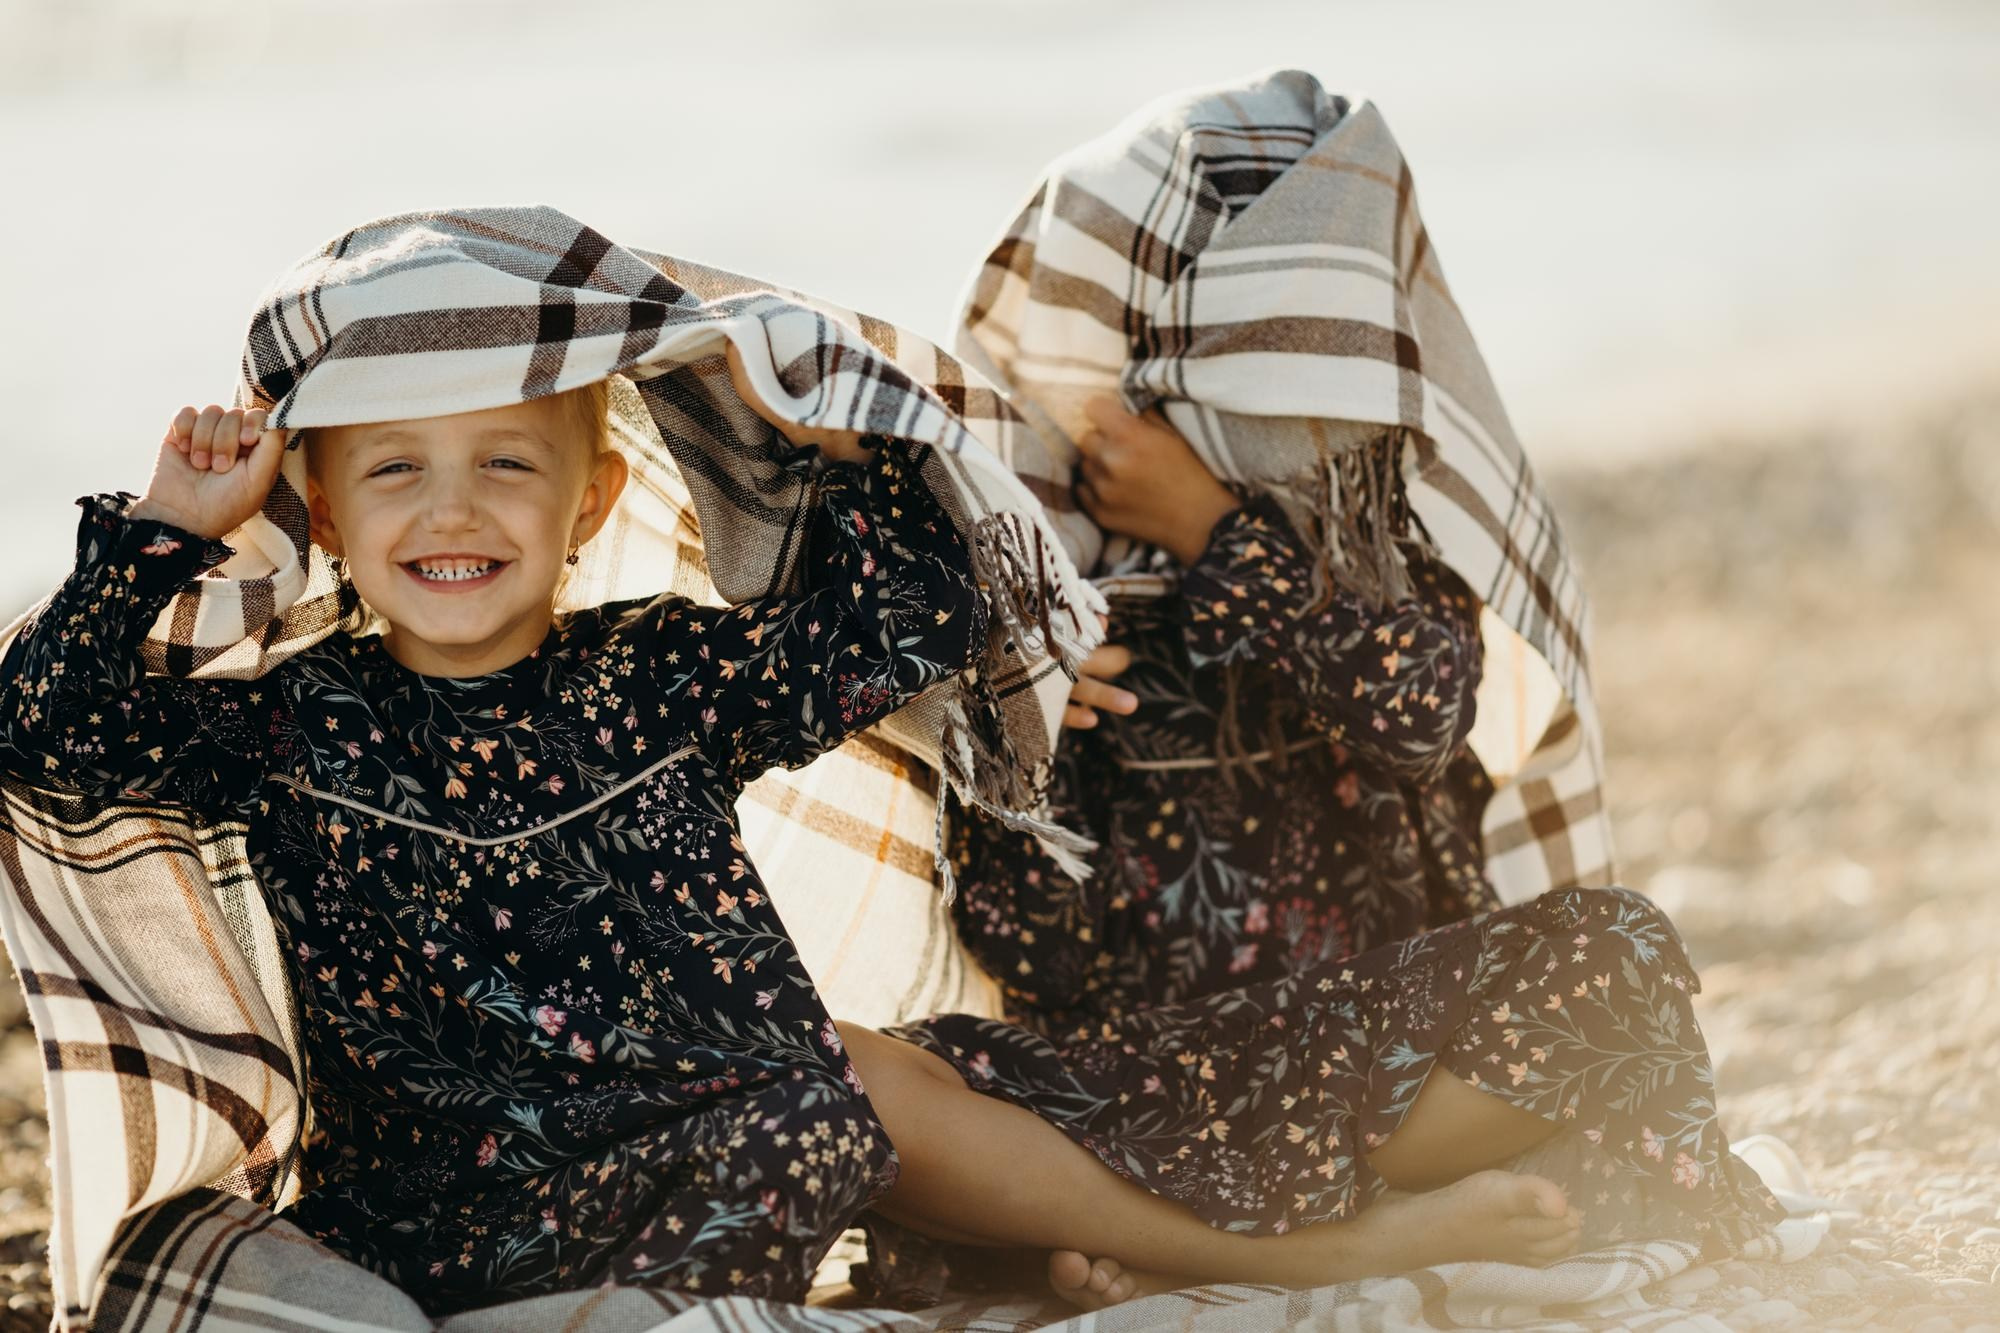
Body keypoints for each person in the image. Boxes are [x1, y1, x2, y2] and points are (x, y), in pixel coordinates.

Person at [0, 351, 986, 1313]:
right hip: (405, 1233)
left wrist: (853, 455)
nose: (452, 510)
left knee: (819, 1114)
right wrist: (170, 527)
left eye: (505, 461)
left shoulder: (658, 679)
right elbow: (37, 730)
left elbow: (916, 625)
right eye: (394, 467)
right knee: (180, 1245)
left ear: (590, 502)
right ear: (330, 515)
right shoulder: (291, 722)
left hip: (655, 1199)